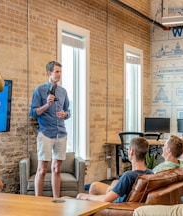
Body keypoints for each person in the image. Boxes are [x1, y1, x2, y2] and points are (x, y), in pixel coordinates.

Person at [30, 61, 70, 198]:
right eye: (57, 72)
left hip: (61, 134)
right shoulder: (39, 90)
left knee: (57, 169)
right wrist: (47, 104)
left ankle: (56, 200)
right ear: (49, 73)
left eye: (60, 72)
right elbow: (34, 113)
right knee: (42, 170)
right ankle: (38, 201)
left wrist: (65, 115)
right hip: (46, 134)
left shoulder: (63, 91)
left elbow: (68, 111)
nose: (59, 74)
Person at [76, 137, 153, 203]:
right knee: (94, 186)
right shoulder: (151, 173)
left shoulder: (128, 176)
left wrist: (85, 196)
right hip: (123, 197)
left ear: (132, 152)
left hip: (116, 203)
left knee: (71, 197)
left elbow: (105, 199)